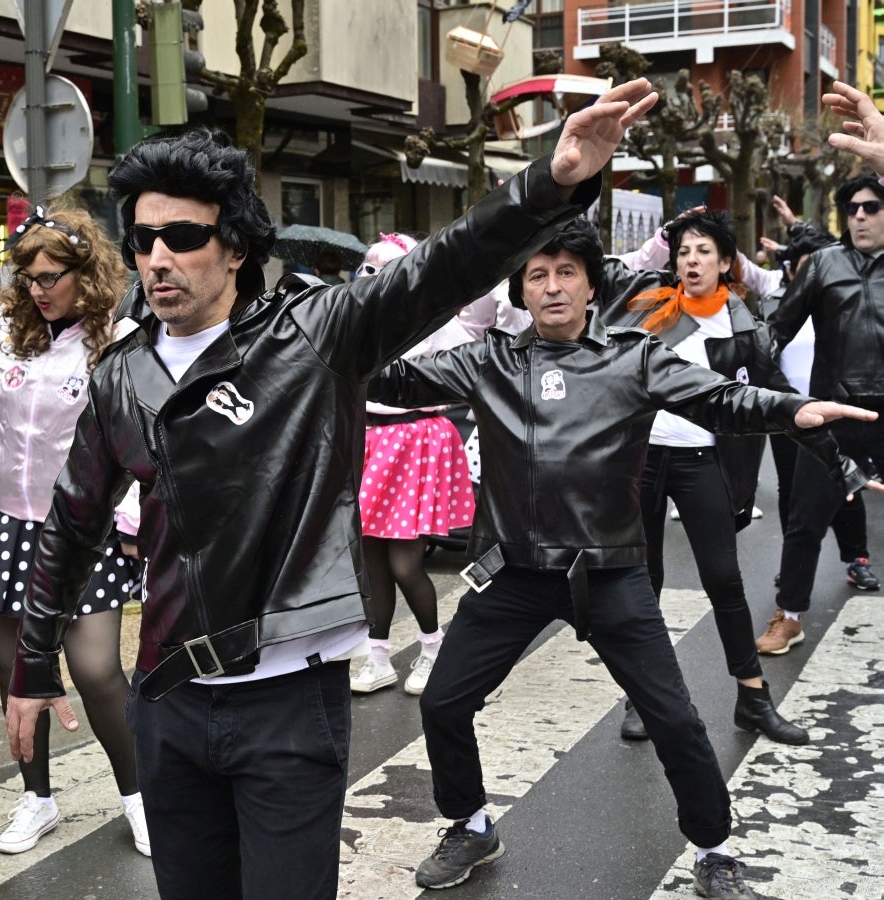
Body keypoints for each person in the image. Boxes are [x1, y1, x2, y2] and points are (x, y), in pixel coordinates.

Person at [4, 80, 661, 899]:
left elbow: (442, 264)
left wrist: (551, 180)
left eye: (182, 235)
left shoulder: (314, 333)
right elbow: (72, 522)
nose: (158, 258)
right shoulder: (122, 375)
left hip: (287, 701)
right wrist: (32, 664)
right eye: (141, 240)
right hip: (168, 700)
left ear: (234, 246)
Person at [368, 217, 878, 897]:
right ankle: (470, 824)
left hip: (611, 577)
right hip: (512, 576)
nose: (551, 286)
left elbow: (720, 400)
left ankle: (713, 847)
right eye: (536, 274)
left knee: (673, 719)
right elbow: (391, 380)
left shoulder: (633, 357)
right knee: (441, 702)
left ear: (589, 286)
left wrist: (789, 410)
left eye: (566, 272)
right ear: (520, 290)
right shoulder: (486, 359)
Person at [0, 205, 149, 856]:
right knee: (17, 669)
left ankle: (140, 798)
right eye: (29, 277)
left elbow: (140, 439)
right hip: (6, 522)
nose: (38, 289)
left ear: (85, 274)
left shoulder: (119, 339)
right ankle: (35, 798)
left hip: (84, 528)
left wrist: (128, 515)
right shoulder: (11, 328)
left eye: (51, 276)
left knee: (96, 669)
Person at [592, 209, 816, 745]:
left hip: (701, 463)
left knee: (724, 581)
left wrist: (837, 454)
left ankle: (753, 699)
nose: (692, 260)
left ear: (724, 262)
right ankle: (643, 698)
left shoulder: (740, 324)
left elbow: (771, 397)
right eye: (684, 251)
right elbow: (602, 273)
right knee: (642, 584)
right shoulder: (648, 305)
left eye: (704, 252)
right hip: (641, 461)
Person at [757, 81, 884, 653]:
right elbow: (772, 333)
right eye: (851, 209)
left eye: (871, 207)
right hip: (833, 409)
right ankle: (789, 614)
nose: (859, 216)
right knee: (804, 519)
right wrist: (783, 398)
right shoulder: (823, 266)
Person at [348, 233, 481, 696]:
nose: (378, 279)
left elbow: (472, 355)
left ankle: (432, 649)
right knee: (372, 564)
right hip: (368, 442)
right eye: (371, 270)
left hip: (415, 441)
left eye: (389, 270)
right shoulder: (357, 320)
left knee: (406, 564)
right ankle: (379, 655)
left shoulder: (432, 317)